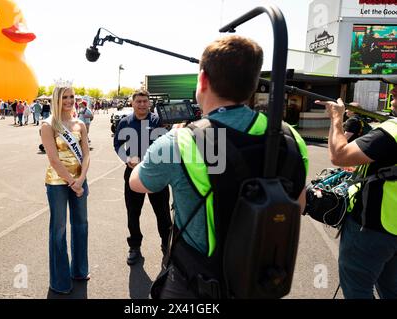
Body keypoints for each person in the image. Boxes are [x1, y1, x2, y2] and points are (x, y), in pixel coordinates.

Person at [129, 35, 308, 298]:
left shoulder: (180, 141)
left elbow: (138, 183)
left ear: (203, 80)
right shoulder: (291, 137)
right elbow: (298, 204)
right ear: (253, 83)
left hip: (196, 283)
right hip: (259, 279)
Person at [315, 83, 397, 299]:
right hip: (390, 229)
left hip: (372, 228)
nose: (392, 93)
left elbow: (339, 155)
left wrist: (336, 118)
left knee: (357, 289)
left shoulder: (391, 132)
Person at [40, 85, 91, 295]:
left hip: (79, 181)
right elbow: (52, 158)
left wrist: (81, 180)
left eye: (72, 97)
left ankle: (79, 270)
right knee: (59, 230)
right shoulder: (48, 125)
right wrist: (73, 182)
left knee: (81, 226)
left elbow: (87, 154)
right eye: (65, 97)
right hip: (57, 183)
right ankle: (60, 281)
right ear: (57, 99)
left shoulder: (80, 124)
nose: (69, 100)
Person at [113, 90, 172, 266]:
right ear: (132, 103)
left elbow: (169, 142)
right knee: (133, 212)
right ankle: (134, 246)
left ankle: (166, 246)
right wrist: (126, 159)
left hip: (157, 174)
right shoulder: (124, 122)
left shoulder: (158, 121)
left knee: (163, 214)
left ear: (149, 103)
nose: (142, 104)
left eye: (145, 101)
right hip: (133, 174)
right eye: (138, 101)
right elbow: (117, 144)